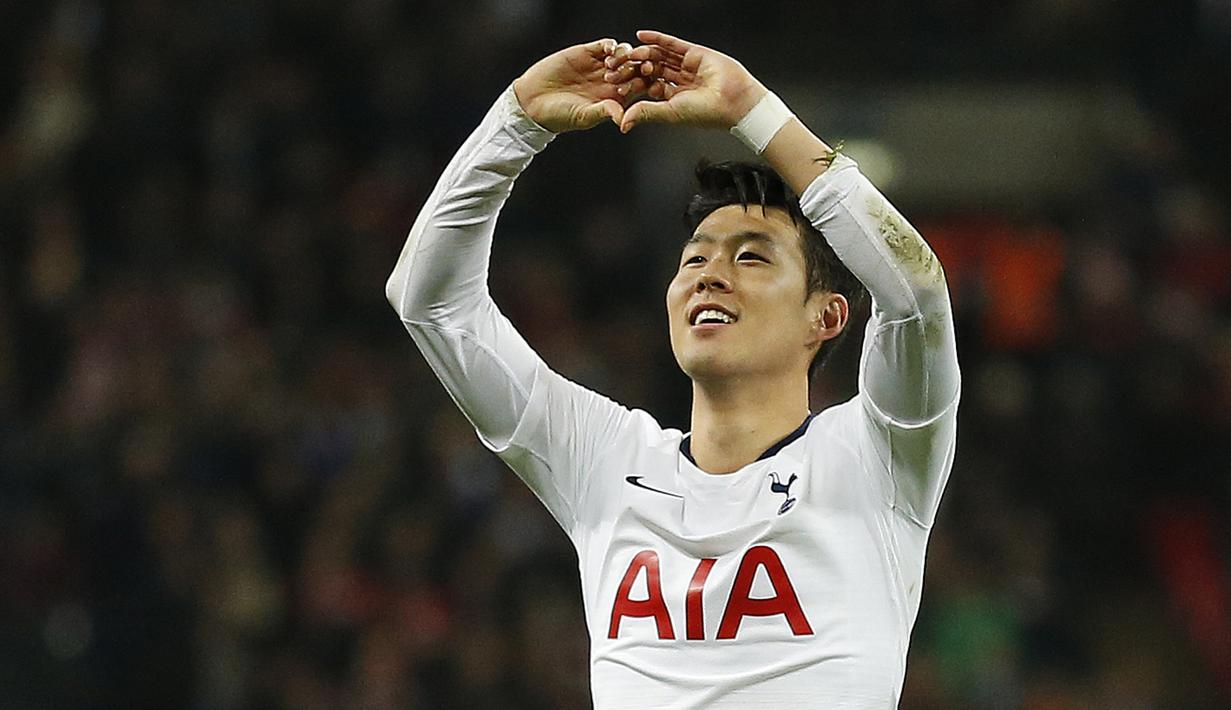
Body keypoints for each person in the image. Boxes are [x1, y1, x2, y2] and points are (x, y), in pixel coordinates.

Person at [386, 29, 959, 709]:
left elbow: (914, 290)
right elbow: (431, 302)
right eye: (693, 259)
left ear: (826, 317)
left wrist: (752, 109)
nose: (709, 274)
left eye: (750, 257)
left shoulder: (876, 457)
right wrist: (515, 124)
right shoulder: (603, 460)